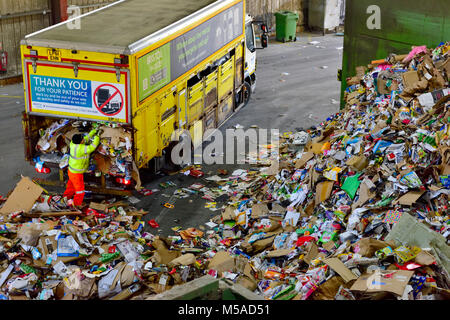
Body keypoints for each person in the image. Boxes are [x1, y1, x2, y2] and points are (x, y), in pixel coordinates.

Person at [63, 128, 101, 208]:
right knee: (80, 191)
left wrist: (92, 132)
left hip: (71, 171)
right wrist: (97, 137)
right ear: (80, 142)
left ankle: (65, 200)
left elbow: (85, 139)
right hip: (77, 174)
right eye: (82, 139)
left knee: (71, 187)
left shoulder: (73, 144)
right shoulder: (81, 149)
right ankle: (76, 205)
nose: (83, 140)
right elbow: (92, 147)